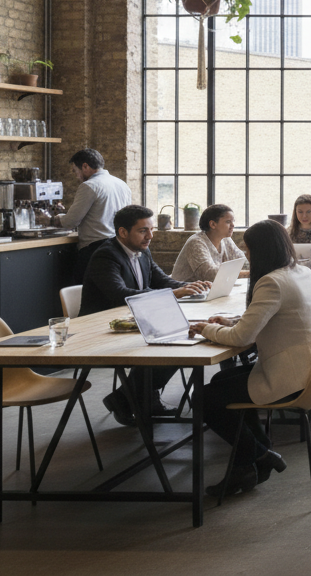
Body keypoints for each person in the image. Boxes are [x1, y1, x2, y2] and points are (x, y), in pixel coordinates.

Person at [188, 220, 311, 498]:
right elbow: (274, 316)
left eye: (248, 247)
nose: (244, 251)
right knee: (222, 380)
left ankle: (258, 455)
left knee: (204, 397)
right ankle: (253, 461)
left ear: (260, 250)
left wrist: (207, 328)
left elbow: (242, 338)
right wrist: (233, 320)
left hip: (292, 378)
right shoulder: (301, 272)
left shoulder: (271, 282)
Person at [79, 204, 209, 426]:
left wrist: (192, 286)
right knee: (170, 344)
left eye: (151, 229)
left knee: (179, 341)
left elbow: (162, 281)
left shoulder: (143, 251)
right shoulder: (106, 255)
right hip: (103, 328)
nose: (150, 236)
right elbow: (119, 295)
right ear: (122, 232)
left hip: (136, 321)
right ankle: (133, 398)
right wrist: (173, 292)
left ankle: (128, 398)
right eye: (143, 230)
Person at [56, 148, 133, 284]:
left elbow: (70, 222)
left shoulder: (89, 186)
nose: (76, 176)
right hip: (119, 246)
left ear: (85, 166)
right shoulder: (122, 184)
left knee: (88, 292)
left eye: (75, 171)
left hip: (94, 249)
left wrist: (53, 219)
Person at [171, 203, 246, 282]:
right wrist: (247, 273)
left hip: (207, 290)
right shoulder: (196, 242)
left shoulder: (225, 239)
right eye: (228, 222)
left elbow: (243, 262)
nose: (233, 225)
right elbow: (209, 275)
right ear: (213, 224)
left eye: (233, 221)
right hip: (184, 291)